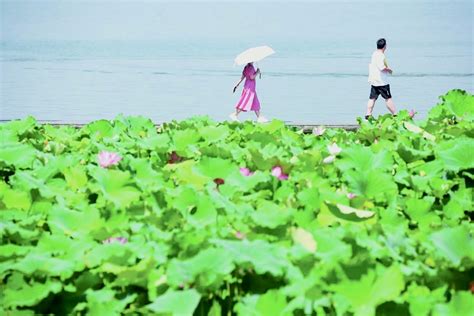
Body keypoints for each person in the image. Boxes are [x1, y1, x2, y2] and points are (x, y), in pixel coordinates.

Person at [366, 38, 397, 119]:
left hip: (374, 81)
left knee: (372, 98)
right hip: (382, 82)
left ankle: (368, 114)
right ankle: (395, 114)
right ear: (385, 46)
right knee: (388, 98)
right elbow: (381, 67)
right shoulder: (381, 55)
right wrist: (389, 70)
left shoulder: (374, 54)